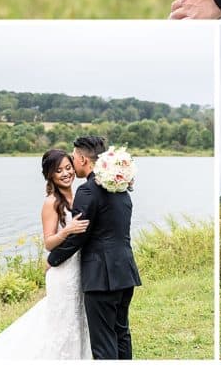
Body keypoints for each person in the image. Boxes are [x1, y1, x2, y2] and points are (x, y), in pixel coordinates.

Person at [0, 149, 92, 360]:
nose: (65, 173)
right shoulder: (51, 202)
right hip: (62, 273)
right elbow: (48, 243)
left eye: (68, 168)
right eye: (59, 170)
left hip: (80, 268)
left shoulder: (81, 195)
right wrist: (67, 230)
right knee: (62, 324)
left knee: (80, 321)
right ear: (50, 175)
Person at [48, 136, 142, 360]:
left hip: (101, 277)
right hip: (125, 270)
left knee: (103, 343)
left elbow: (78, 237)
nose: (72, 161)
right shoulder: (121, 189)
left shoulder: (87, 191)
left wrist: (52, 259)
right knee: (121, 333)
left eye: (73, 157)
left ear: (81, 159)